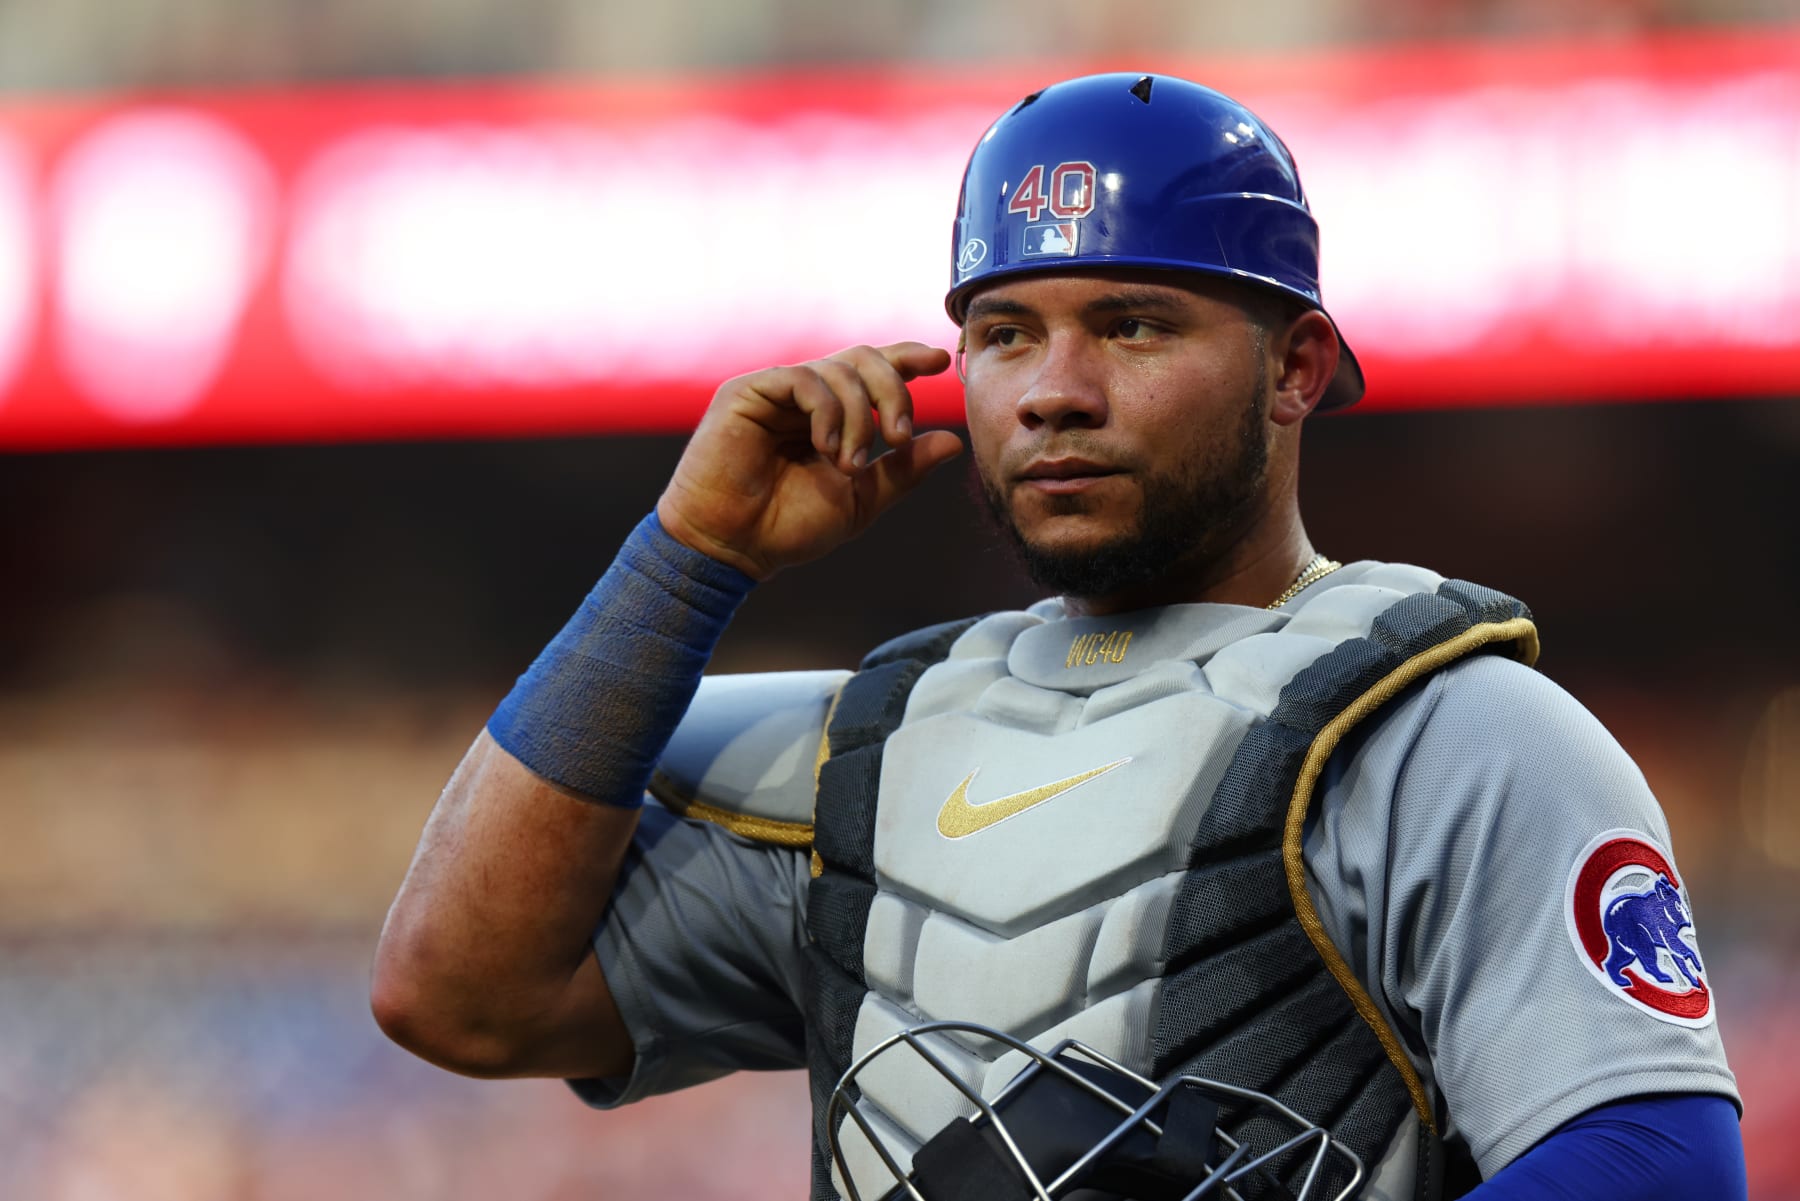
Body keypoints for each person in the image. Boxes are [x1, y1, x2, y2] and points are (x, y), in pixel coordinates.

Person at [371, 73, 1746, 1200]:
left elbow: (1658, 1163)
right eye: (1006, 333)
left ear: (1296, 367)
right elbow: (457, 992)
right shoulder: (865, 744)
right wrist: (689, 559)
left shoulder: (1454, 729)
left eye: (1134, 324)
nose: (1055, 392)